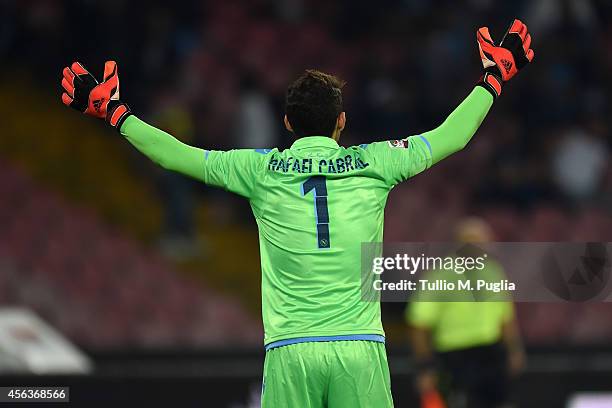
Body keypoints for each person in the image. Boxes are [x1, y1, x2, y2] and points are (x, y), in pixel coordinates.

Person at [60, 19, 534, 408]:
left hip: (291, 351)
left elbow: (177, 155)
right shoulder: (376, 162)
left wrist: (117, 113)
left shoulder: (259, 169)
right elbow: (452, 136)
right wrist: (492, 80)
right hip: (359, 350)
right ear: (341, 123)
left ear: (287, 123)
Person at [406, 218, 526, 408]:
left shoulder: (493, 272)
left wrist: (514, 349)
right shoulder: (440, 276)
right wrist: (425, 366)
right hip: (454, 356)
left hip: (490, 354)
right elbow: (420, 324)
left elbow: (505, 317)